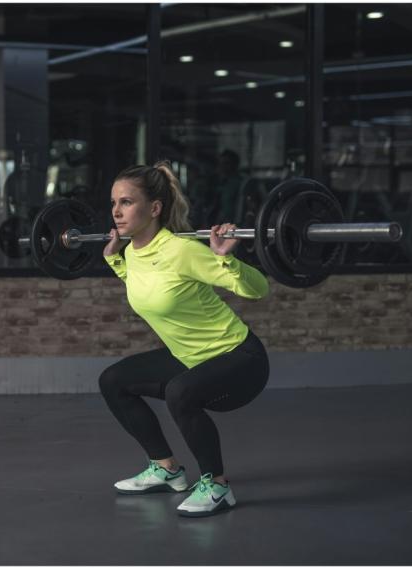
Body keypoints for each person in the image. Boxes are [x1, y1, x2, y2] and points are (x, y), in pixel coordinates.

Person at [99, 160, 270, 518]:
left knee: (180, 391)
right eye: (114, 203)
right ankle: (166, 468)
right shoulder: (132, 252)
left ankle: (218, 486)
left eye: (126, 202)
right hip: (190, 356)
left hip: (239, 359)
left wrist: (227, 259)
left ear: (155, 208)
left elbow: (258, 290)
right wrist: (116, 262)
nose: (116, 211)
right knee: (114, 381)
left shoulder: (182, 251)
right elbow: (148, 289)